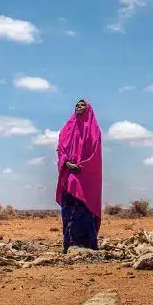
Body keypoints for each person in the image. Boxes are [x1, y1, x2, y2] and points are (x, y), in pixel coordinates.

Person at [55, 98, 103, 253]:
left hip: (86, 177)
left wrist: (82, 166)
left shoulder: (94, 130)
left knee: (85, 209)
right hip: (69, 172)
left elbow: (95, 154)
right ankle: (68, 244)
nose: (79, 106)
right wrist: (67, 163)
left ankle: (88, 245)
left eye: (82, 105)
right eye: (77, 104)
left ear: (88, 109)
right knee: (68, 209)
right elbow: (60, 150)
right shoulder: (67, 128)